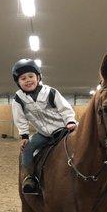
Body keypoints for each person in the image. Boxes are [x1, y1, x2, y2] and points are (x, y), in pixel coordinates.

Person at [11, 58, 77, 194]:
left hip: (63, 129)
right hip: (44, 134)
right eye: (23, 78)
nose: (28, 80)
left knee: (85, 141)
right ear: (18, 82)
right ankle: (29, 178)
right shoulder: (18, 99)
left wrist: (70, 121)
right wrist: (24, 135)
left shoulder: (50, 92)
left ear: (38, 77)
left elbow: (65, 108)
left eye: (31, 76)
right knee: (27, 149)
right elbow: (20, 118)